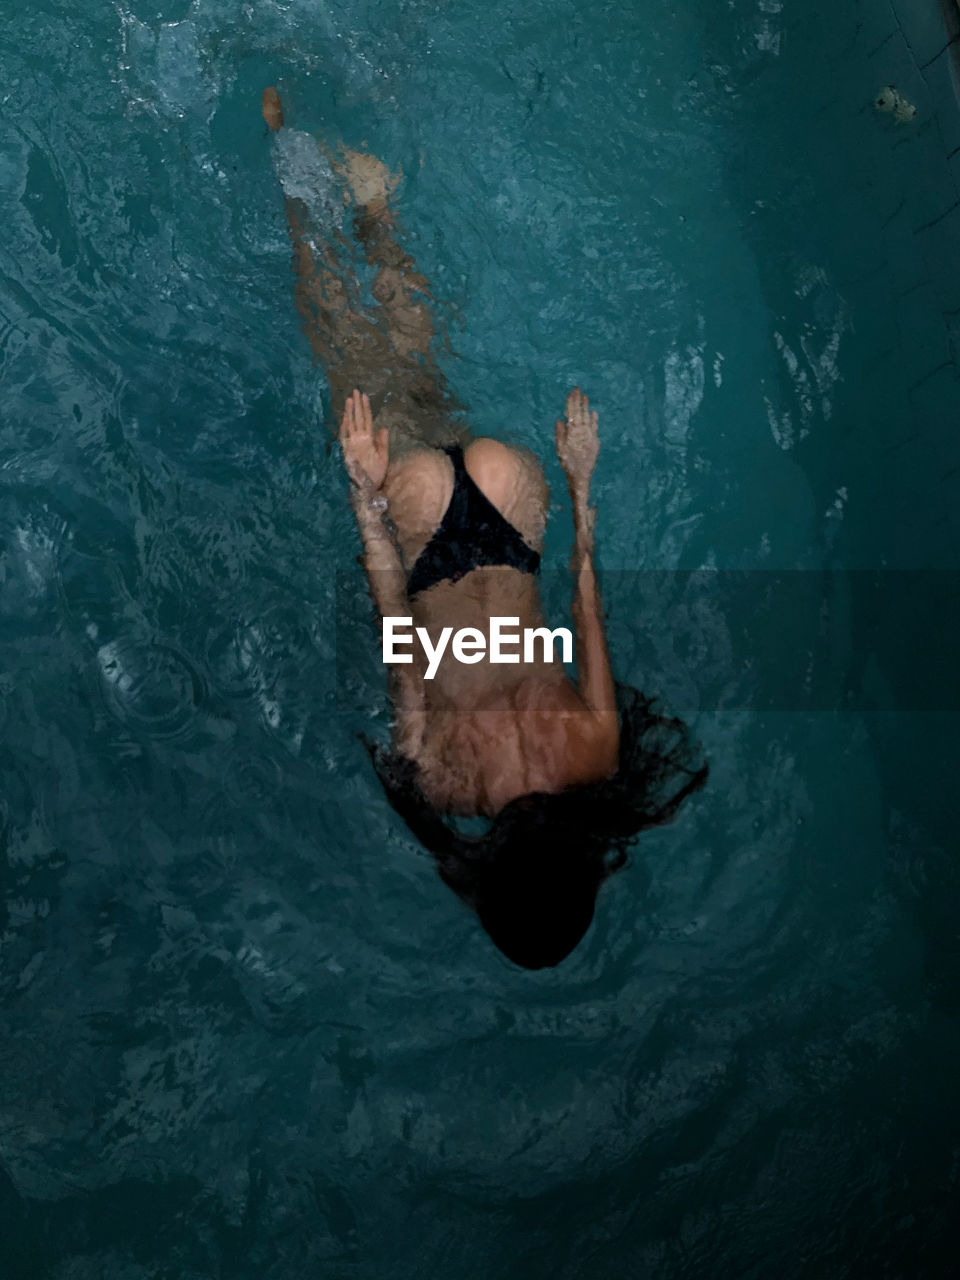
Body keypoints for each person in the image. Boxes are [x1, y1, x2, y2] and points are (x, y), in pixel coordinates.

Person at [263, 88, 707, 968]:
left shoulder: (598, 753)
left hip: (512, 499)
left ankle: (378, 207)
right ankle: (290, 168)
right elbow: (400, 634)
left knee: (419, 368)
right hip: (425, 531)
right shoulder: (447, 786)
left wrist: (580, 484)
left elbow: (586, 607)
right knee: (341, 344)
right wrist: (365, 497)